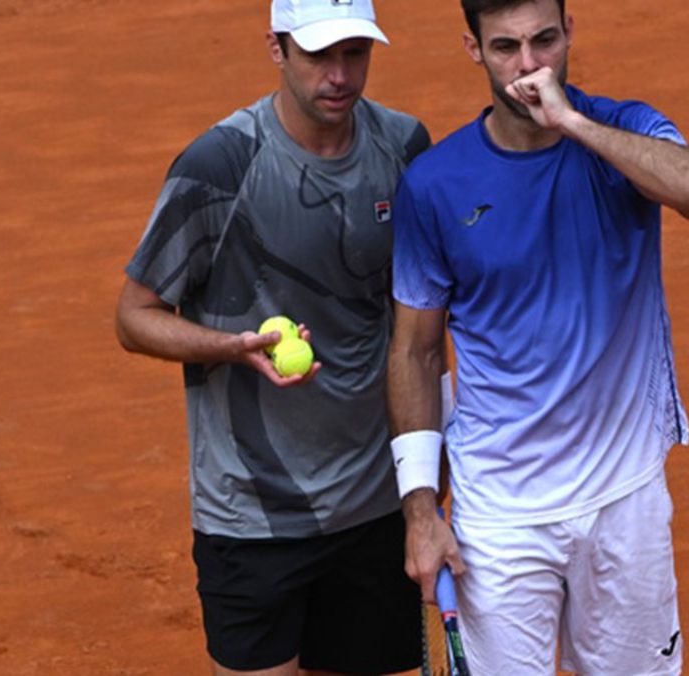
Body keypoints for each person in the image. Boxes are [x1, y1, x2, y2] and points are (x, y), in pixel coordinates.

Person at [386, 0, 689, 674]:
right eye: (507, 47)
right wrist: (421, 510)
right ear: (473, 50)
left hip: (624, 497)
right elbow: (415, 352)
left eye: (544, 41)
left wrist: (573, 123)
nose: (528, 67)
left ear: (570, 34)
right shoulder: (434, 185)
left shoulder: (624, 130)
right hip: (503, 518)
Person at [114, 1, 430, 674]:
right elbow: (135, 316)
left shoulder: (403, 149)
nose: (339, 75)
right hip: (251, 516)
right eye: (318, 55)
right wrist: (232, 348)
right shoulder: (221, 165)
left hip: (374, 503)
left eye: (355, 53)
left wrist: (428, 474)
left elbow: (420, 327)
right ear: (276, 49)